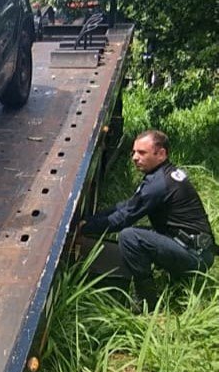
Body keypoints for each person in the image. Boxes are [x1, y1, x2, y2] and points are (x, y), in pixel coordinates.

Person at [79, 129, 215, 310]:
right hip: (193, 247)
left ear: (161, 154)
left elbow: (124, 218)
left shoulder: (158, 184)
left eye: (142, 153)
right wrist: (90, 220)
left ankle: (146, 301)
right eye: (134, 152)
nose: (135, 157)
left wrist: (84, 228)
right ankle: (174, 279)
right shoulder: (163, 175)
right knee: (136, 235)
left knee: (130, 236)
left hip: (195, 254)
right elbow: (128, 205)